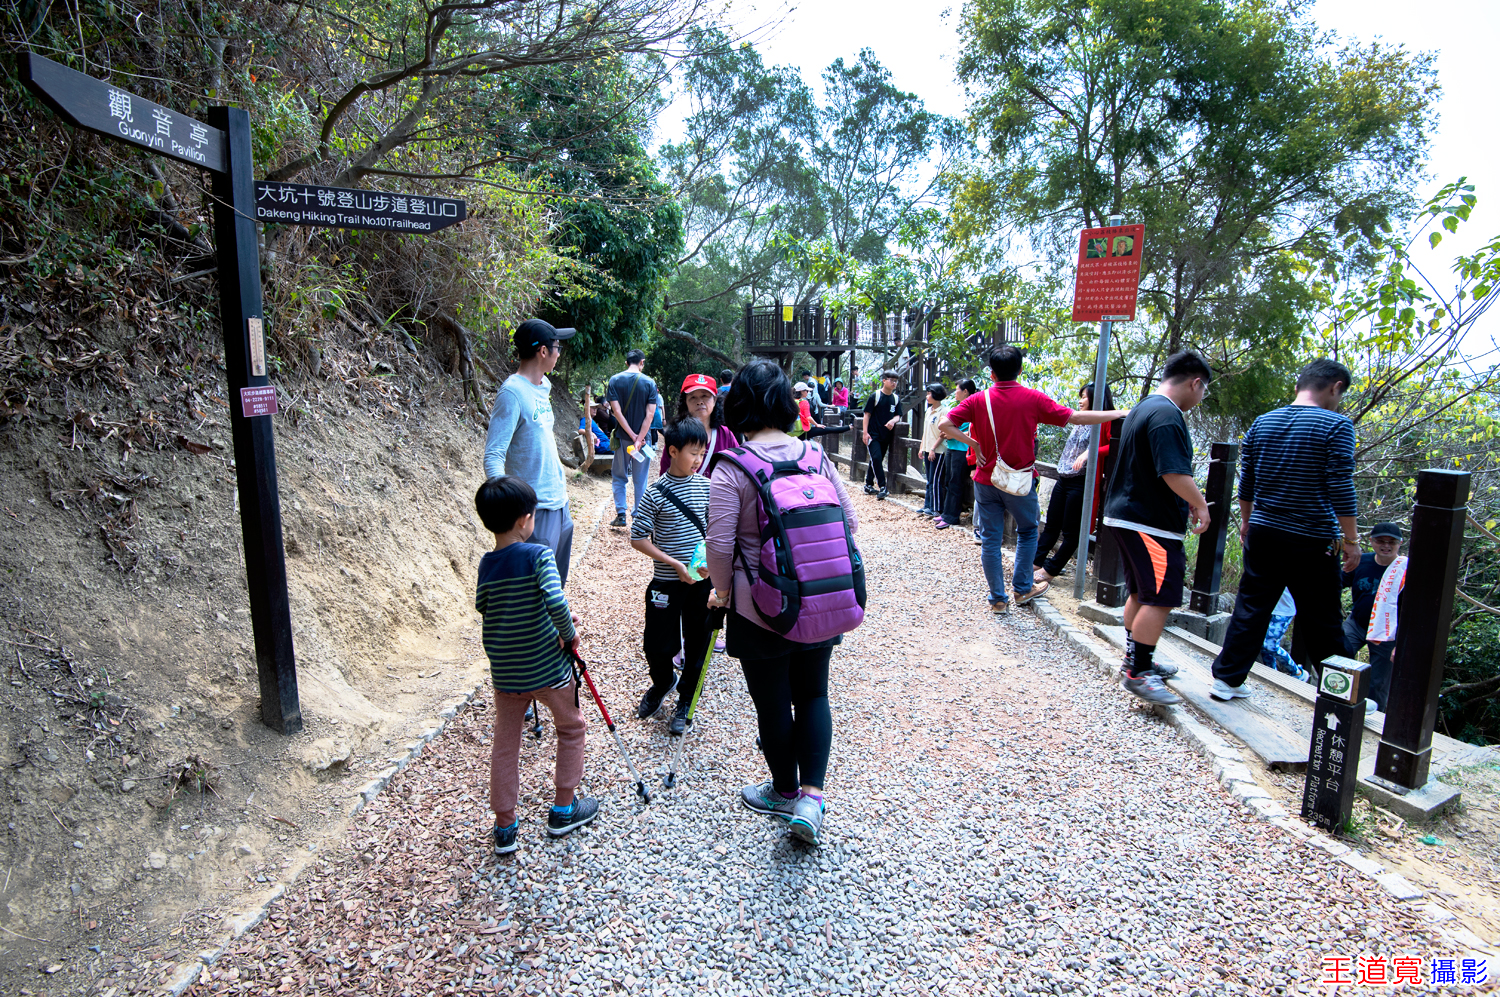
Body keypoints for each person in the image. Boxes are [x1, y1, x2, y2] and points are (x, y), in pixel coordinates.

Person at [707, 359, 859, 846]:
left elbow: (718, 547)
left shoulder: (732, 467)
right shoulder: (815, 455)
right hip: (821, 599)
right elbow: (849, 523)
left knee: (772, 702)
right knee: (813, 694)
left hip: (759, 609)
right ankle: (812, 800)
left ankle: (783, 791)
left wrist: (722, 593)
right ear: (786, 404)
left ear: (738, 405)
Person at [1210, 358, 1359, 701]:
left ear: (1298, 386)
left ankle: (1227, 680)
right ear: (1336, 387)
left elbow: (1247, 481)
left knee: (1251, 607)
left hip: (1264, 530)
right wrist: (1351, 539)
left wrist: (1248, 522)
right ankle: (1343, 695)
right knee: (1322, 618)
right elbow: (1340, 485)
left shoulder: (1263, 422)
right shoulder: (1337, 425)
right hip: (1313, 536)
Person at [940, 347, 1127, 613]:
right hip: (1019, 481)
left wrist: (974, 444)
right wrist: (1118, 413)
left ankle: (998, 599)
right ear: (1020, 370)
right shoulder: (1032, 398)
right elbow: (1075, 417)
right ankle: (1022, 588)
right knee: (1028, 531)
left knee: (990, 540)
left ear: (991, 374)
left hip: (986, 480)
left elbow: (944, 425)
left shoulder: (978, 400)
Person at [474, 476, 596, 855]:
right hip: (548, 668)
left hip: (506, 673)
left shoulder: (487, 565)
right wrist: (569, 633)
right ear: (525, 520)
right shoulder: (539, 555)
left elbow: (486, 607)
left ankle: (505, 827)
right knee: (571, 727)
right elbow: (555, 601)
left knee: (506, 743)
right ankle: (563, 809)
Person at [1100, 351, 1214, 704]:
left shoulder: (1144, 407)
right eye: (1204, 390)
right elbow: (1173, 472)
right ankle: (1138, 673)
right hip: (1150, 522)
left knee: (1141, 592)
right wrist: (1200, 504)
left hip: (1126, 514)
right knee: (1161, 597)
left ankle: (1136, 658)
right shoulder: (1167, 415)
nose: (1201, 397)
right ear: (1195, 382)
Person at [631, 418, 714, 735]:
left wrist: (710, 565)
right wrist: (674, 564)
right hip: (666, 582)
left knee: (698, 644)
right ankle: (664, 681)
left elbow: (715, 532)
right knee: (656, 644)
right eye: (693, 453)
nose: (698, 460)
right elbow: (638, 538)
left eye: (702, 453)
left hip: (700, 583)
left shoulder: (706, 487)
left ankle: (686, 700)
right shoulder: (655, 493)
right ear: (673, 451)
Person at [484, 319, 577, 587]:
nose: (559, 353)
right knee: (534, 590)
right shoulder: (512, 393)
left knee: (556, 587)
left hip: (559, 504)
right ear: (543, 351)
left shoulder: (543, 387)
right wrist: (512, 507)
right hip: (534, 511)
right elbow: (493, 455)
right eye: (557, 347)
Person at [1033, 382, 1114, 584]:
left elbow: (1114, 445)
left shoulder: (1106, 419)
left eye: (1084, 397)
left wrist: (1091, 452)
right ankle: (1035, 562)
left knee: (1072, 531)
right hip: (1064, 477)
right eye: (1081, 396)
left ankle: (1051, 570)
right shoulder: (1081, 419)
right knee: (1051, 525)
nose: (1080, 401)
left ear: (1096, 398)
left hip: (1082, 481)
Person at [1342, 522, 1405, 710]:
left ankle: (1373, 719)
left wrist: (1401, 643)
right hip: (1357, 623)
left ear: (1400, 543)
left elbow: (1413, 611)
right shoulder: (1361, 561)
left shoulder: (1404, 571)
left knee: (1378, 682)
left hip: (1387, 632)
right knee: (1337, 655)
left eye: (1391, 542)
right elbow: (1338, 582)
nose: (1386, 545)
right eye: (1380, 541)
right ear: (1371, 541)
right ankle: (1339, 701)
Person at [605, 349, 660, 527]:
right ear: (642, 362)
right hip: (643, 442)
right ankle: (638, 517)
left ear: (626, 363)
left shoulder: (614, 380)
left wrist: (631, 436)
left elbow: (617, 412)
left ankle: (621, 514)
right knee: (640, 479)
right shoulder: (650, 383)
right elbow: (650, 415)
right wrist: (638, 439)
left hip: (622, 438)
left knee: (619, 476)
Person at [937, 380, 976, 531]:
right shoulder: (958, 407)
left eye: (957, 389)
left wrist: (950, 433)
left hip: (962, 449)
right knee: (948, 481)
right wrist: (948, 432)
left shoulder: (970, 407)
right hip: (952, 447)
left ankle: (952, 517)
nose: (955, 392)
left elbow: (966, 429)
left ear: (965, 391)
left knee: (956, 482)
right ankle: (946, 513)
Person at [861, 372, 902, 499]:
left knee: (876, 459)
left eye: (896, 381)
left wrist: (893, 421)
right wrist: (865, 432)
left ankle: (868, 484)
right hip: (873, 434)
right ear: (884, 380)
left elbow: (898, 415)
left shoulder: (895, 398)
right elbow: (866, 415)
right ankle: (883, 486)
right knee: (877, 457)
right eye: (891, 380)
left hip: (886, 435)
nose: (894, 383)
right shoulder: (876, 396)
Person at [1259, 588, 1312, 682]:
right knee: (1264, 646)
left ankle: (1297, 672)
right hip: (1268, 607)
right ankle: (1272, 675)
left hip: (1283, 610)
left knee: (1270, 646)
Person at [917, 383, 949, 521]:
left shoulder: (944, 411)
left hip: (938, 451)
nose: (927, 396)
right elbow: (926, 431)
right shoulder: (929, 410)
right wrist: (922, 447)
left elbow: (943, 433)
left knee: (936, 480)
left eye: (929, 393)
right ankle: (928, 505)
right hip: (927, 449)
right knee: (929, 480)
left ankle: (937, 508)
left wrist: (933, 448)